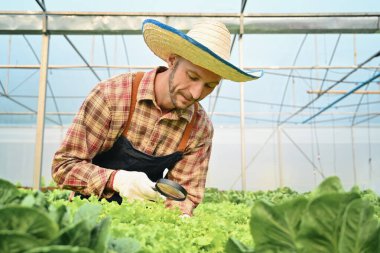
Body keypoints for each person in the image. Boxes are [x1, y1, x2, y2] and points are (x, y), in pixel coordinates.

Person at [52, 18, 262, 216]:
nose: (196, 93)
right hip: (88, 214)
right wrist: (116, 180)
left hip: (142, 221)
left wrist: (181, 216)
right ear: (172, 60)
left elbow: (183, 194)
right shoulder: (113, 96)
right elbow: (64, 166)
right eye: (192, 77)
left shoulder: (199, 128)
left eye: (209, 85)